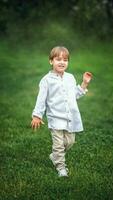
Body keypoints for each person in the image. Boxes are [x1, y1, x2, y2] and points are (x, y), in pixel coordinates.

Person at [31, 46, 92, 177]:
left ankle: (55, 156)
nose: (62, 62)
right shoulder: (46, 80)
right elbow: (41, 99)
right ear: (51, 61)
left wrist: (84, 84)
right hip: (55, 117)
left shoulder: (70, 78)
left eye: (65, 59)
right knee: (58, 144)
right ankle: (61, 168)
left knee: (69, 142)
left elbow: (74, 95)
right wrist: (37, 115)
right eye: (58, 59)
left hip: (71, 117)